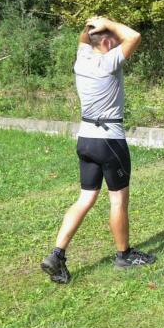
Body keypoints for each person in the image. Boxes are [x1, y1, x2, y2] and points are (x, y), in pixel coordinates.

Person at [40, 17, 155, 284]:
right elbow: (134, 36)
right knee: (118, 201)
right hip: (109, 141)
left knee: (85, 198)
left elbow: (85, 38)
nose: (117, 42)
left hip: (86, 140)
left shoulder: (81, 59)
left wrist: (92, 24)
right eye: (112, 38)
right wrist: (107, 21)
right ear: (105, 42)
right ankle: (124, 255)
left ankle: (57, 254)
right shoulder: (108, 62)